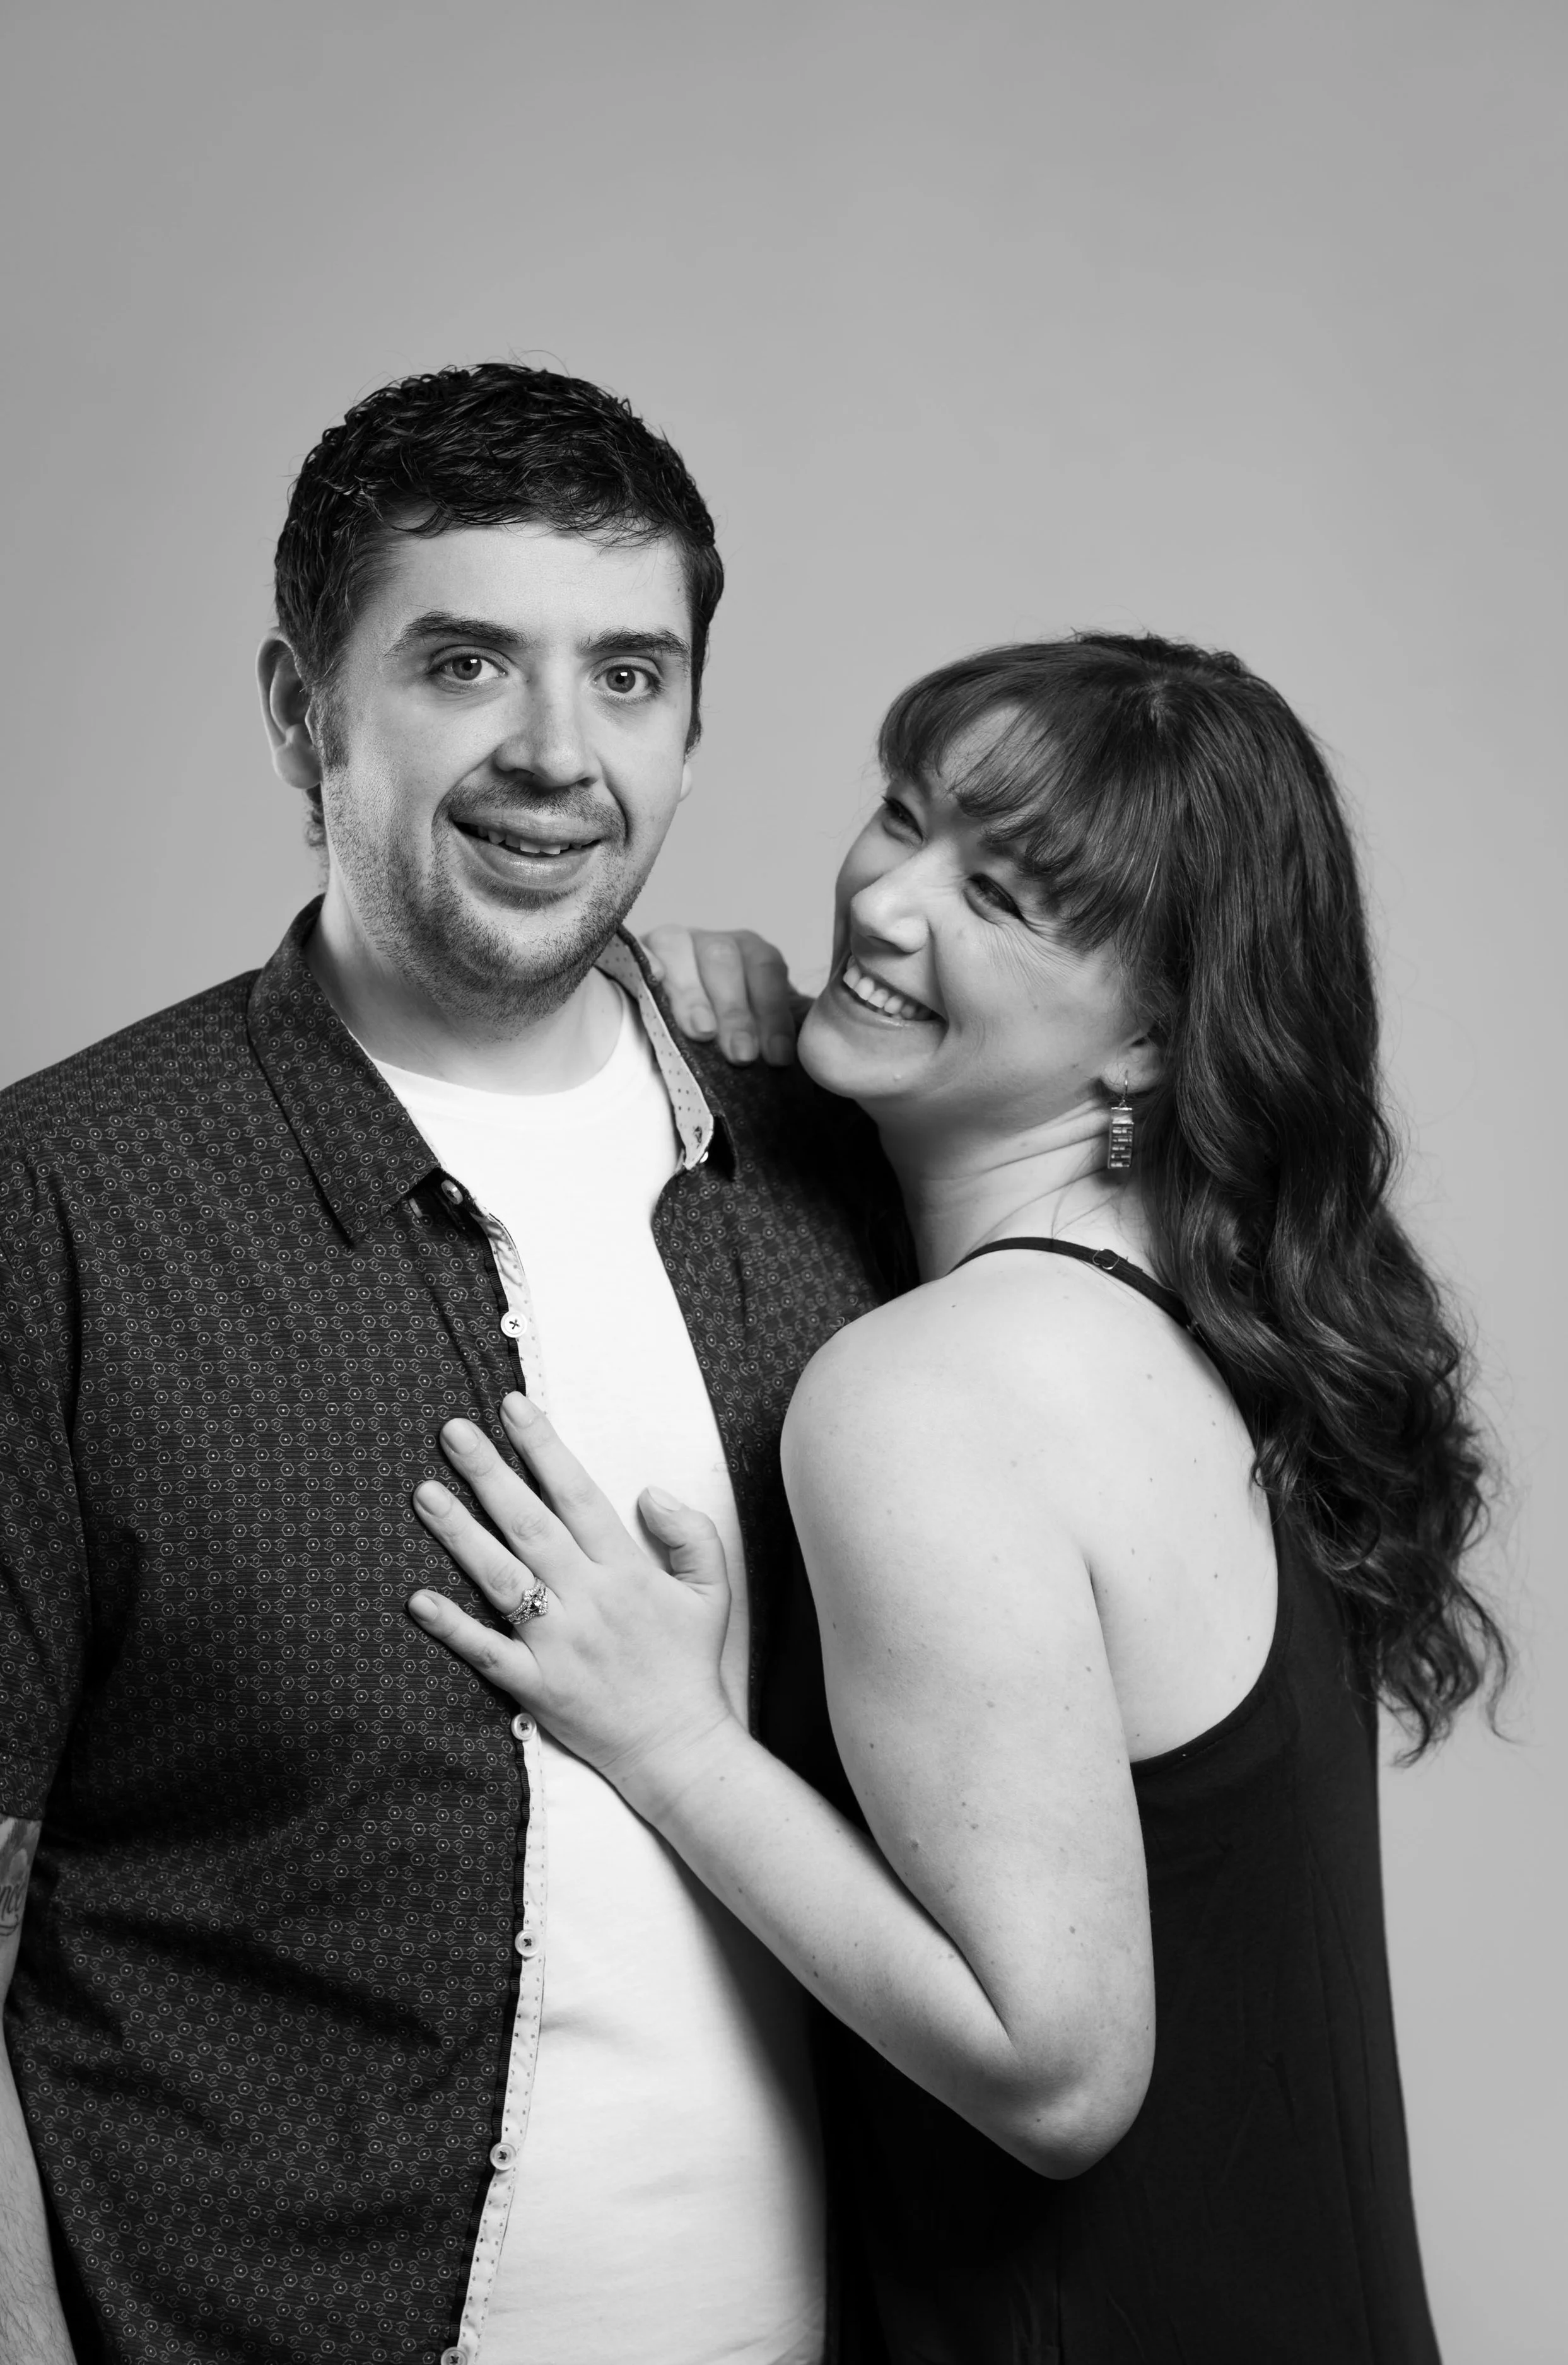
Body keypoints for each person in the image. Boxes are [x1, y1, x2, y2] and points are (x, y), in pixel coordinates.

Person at [405, 634, 1507, 2364]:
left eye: (998, 895)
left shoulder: (933, 1391)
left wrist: (673, 1740)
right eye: (901, 814)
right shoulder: (1189, 1336)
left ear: (1149, 1040)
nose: (887, 899)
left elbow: (1055, 2067)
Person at [0, 363, 896, 2365]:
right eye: (466, 665)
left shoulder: (823, 1178)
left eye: (630, 677)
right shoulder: (57, 1201)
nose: (555, 757)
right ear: (301, 710)